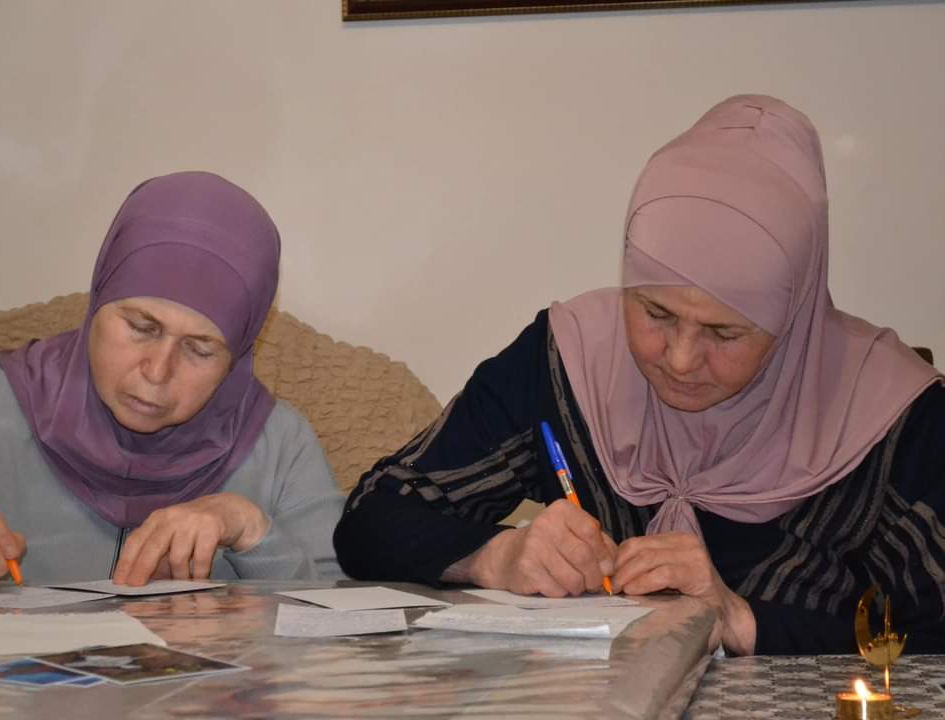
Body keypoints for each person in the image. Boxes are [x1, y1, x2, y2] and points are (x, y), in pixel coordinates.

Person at [334, 96, 945, 656]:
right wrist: (497, 555)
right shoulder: (571, 358)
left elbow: (933, 630)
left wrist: (741, 620)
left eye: (724, 333)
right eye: (655, 313)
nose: (679, 359)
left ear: (794, 316)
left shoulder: (892, 415)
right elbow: (371, 518)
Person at [0, 171, 345, 592]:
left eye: (200, 349)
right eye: (141, 327)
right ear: (97, 302)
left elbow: (347, 611)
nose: (157, 372)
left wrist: (251, 531)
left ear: (237, 358)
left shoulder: (281, 447)